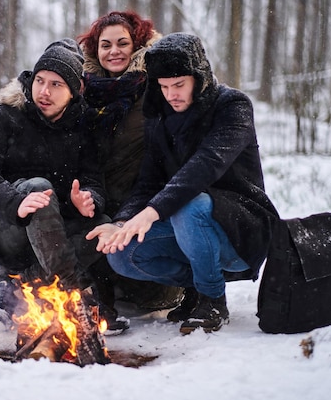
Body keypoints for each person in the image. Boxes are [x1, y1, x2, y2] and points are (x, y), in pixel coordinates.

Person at [86, 32, 279, 334]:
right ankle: (196, 288)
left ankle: (212, 298)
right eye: (163, 87)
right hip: (186, 224)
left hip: (242, 228)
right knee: (121, 252)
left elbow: (204, 166)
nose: (171, 94)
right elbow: (148, 182)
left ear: (198, 78)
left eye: (179, 85)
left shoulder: (233, 106)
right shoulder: (159, 117)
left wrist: (151, 213)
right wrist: (124, 222)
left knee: (188, 204)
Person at [0, 39, 115, 331]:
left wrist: (88, 199)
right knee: (38, 189)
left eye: (56, 85)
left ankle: (19, 286)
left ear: (74, 91)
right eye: (40, 81)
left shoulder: (83, 128)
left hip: (46, 230)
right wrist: (14, 201)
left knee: (102, 227)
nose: (44, 91)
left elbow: (93, 181)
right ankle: (73, 292)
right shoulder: (3, 118)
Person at [77, 11, 182, 313]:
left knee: (147, 294)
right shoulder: (83, 90)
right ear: (94, 50)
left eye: (123, 43)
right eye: (106, 45)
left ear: (137, 45)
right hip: (95, 194)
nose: (114, 52)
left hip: (143, 196)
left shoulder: (155, 87)